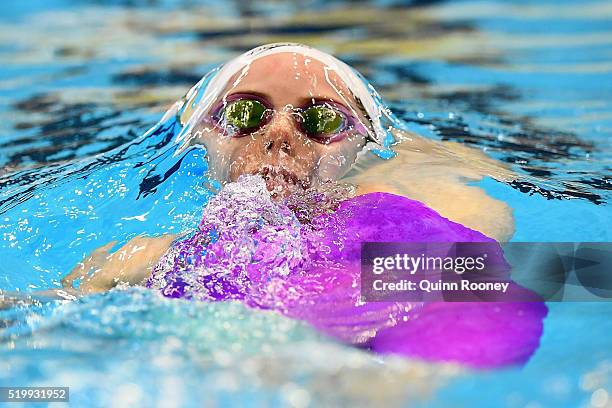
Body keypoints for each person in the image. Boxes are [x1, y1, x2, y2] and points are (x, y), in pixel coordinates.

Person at [62, 43, 515, 294]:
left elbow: (480, 248)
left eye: (322, 120)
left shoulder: (405, 192)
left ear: (363, 146)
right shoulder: (147, 256)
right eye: (244, 114)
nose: (279, 134)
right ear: (201, 134)